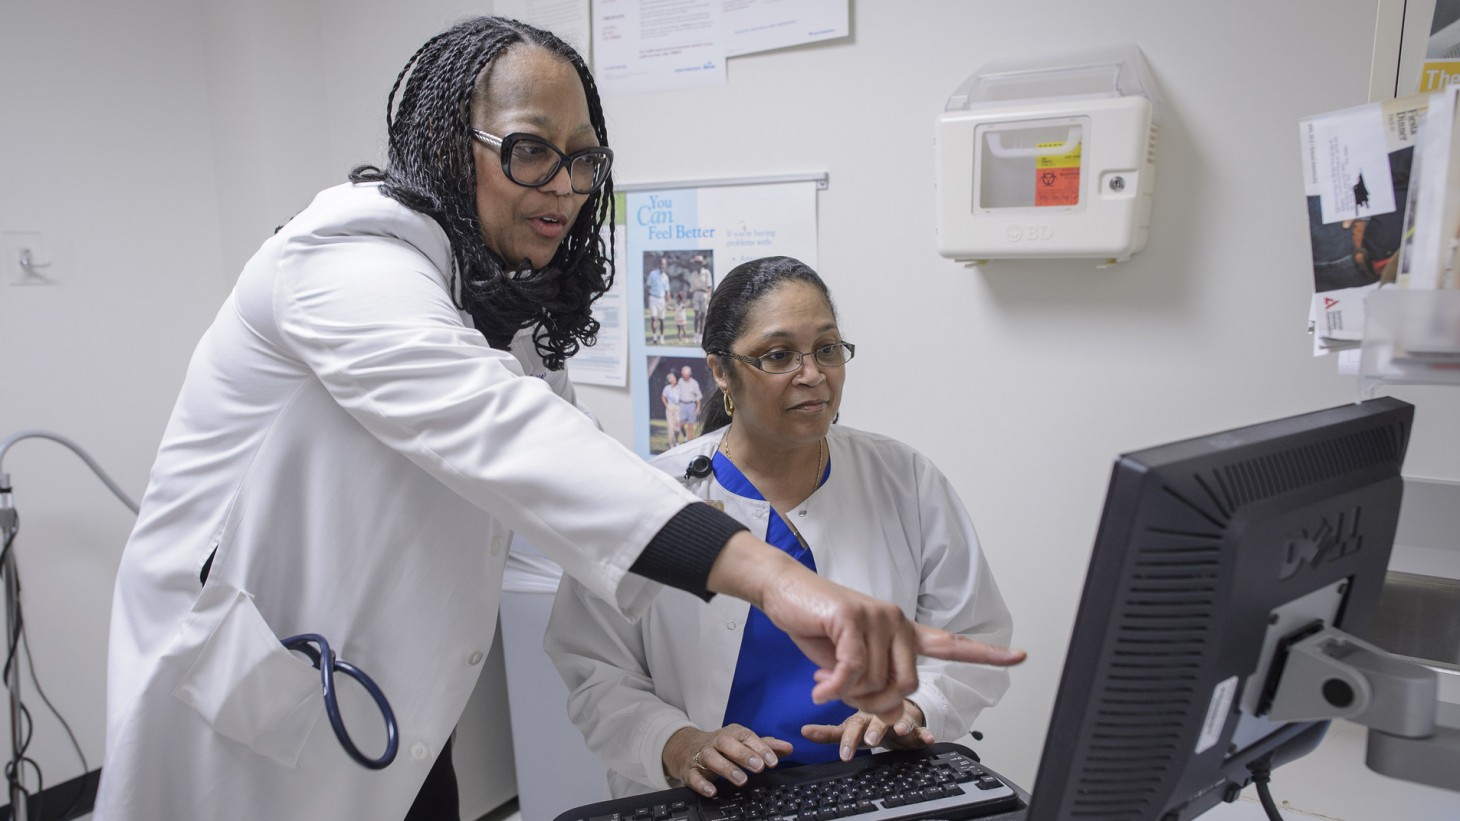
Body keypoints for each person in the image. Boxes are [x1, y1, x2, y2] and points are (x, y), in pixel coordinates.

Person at [93, 19, 1021, 821]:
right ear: (447, 142)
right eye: (531, 148)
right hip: (240, 701)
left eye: (583, 159)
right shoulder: (346, 254)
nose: (565, 187)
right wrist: (774, 579)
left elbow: (562, 525)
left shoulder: (514, 326)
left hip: (395, 717)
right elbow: (506, 438)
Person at [547, 257, 1016, 800]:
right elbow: (594, 670)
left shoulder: (903, 479)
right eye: (778, 355)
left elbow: (970, 633)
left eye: (827, 349)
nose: (812, 374)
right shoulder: (649, 497)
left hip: (871, 788)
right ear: (721, 371)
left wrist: (916, 707)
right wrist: (676, 743)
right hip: (712, 800)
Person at [646, 256, 671, 343]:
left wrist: (668, 303)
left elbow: (667, 291)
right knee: (654, 318)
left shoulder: (666, 277)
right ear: (658, 264)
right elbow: (648, 286)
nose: (662, 266)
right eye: (661, 264)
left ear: (666, 265)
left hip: (662, 299)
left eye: (664, 264)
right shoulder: (652, 274)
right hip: (653, 298)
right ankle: (654, 337)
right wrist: (648, 297)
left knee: (662, 320)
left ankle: (662, 337)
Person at [677, 364, 703, 442]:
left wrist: (698, 408)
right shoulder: (680, 381)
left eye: (686, 375)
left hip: (691, 405)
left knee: (690, 426)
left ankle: (689, 442)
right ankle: (685, 437)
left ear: (689, 374)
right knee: (680, 425)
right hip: (682, 405)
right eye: (683, 374)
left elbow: (698, 397)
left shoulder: (694, 383)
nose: (684, 376)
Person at [690, 254, 713, 336]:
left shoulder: (706, 273)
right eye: (696, 263)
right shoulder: (693, 274)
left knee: (703, 316)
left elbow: (709, 286)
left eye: (699, 263)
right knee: (696, 315)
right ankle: (695, 334)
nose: (697, 264)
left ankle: (700, 334)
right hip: (696, 294)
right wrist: (690, 300)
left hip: (704, 294)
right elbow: (692, 289)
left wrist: (709, 297)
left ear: (702, 263)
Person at [662, 370, 683, 449]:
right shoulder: (667, 388)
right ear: (670, 380)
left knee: (678, 425)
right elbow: (663, 397)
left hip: (678, 407)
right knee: (671, 426)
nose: (675, 379)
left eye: (674, 377)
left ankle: (676, 441)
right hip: (670, 407)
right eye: (673, 378)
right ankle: (671, 444)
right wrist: (666, 405)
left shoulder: (679, 387)